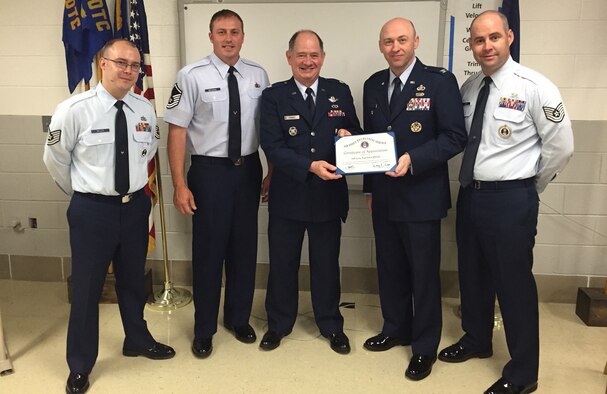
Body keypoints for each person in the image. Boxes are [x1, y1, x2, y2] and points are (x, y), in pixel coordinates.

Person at [437, 11, 574, 394]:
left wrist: (530, 186)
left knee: (513, 285)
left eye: (493, 37)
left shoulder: (535, 87)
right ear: (471, 45)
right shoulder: (468, 87)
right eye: (478, 40)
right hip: (471, 195)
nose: (486, 46)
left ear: (509, 36)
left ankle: (523, 372)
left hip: (511, 198)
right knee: (473, 275)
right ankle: (477, 340)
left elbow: (561, 148)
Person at [43, 39, 175, 394]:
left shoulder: (143, 109)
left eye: (134, 65)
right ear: (102, 63)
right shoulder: (74, 110)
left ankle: (137, 339)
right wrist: (84, 194)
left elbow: (148, 150)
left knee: (133, 281)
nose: (129, 71)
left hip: (134, 208)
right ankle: (81, 364)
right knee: (87, 289)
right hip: (92, 211)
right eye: (121, 63)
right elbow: (55, 160)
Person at [361, 18, 467, 381]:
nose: (396, 47)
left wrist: (414, 160)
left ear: (416, 41)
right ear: (381, 46)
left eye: (402, 40)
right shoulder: (373, 85)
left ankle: (424, 347)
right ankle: (395, 328)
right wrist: (370, 188)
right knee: (389, 269)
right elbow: (372, 143)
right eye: (388, 41)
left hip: (422, 196)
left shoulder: (439, 81)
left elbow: (455, 137)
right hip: (385, 197)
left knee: (423, 276)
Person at [164, 9, 270, 359]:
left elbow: (267, 130)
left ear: (243, 35)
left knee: (244, 250)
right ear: (210, 36)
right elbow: (177, 132)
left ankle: (238, 319)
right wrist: (180, 184)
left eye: (234, 32)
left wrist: (272, 171)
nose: (228, 38)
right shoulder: (190, 75)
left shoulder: (258, 75)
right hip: (209, 173)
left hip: (248, 170)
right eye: (221, 32)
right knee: (208, 254)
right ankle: (204, 329)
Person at [259, 30, 362, 354]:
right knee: (283, 264)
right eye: (301, 55)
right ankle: (278, 324)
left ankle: (331, 324)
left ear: (323, 57)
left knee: (327, 265)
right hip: (288, 196)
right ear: (289, 57)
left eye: (314, 55)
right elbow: (272, 146)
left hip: (328, 196)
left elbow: (356, 132)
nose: (308, 61)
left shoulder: (339, 91)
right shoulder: (274, 96)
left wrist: (349, 134)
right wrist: (309, 165)